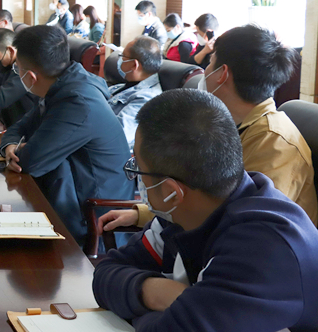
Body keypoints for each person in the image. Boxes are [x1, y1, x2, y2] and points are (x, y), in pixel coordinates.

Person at [93, 89, 318, 332]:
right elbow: (106, 274)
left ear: (171, 191)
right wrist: (156, 292)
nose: (138, 178)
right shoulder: (180, 214)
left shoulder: (263, 249)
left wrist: (156, 307)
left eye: (138, 169)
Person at [102, 24, 317, 230]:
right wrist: (143, 214)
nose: (204, 72)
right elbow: (199, 198)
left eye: (210, 62)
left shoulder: (275, 144)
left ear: (222, 74)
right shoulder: (225, 124)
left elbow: (247, 224)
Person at [0, 25, 133, 245]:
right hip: (70, 193)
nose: (17, 73)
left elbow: (30, 162)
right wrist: (10, 145)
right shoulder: (62, 86)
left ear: (31, 76)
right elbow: (19, 127)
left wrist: (24, 149)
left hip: (94, 216)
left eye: (17, 69)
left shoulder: (77, 101)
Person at [106, 37, 163, 150]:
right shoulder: (122, 86)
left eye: (122, 56)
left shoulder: (146, 99)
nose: (119, 60)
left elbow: (116, 136)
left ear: (134, 65)